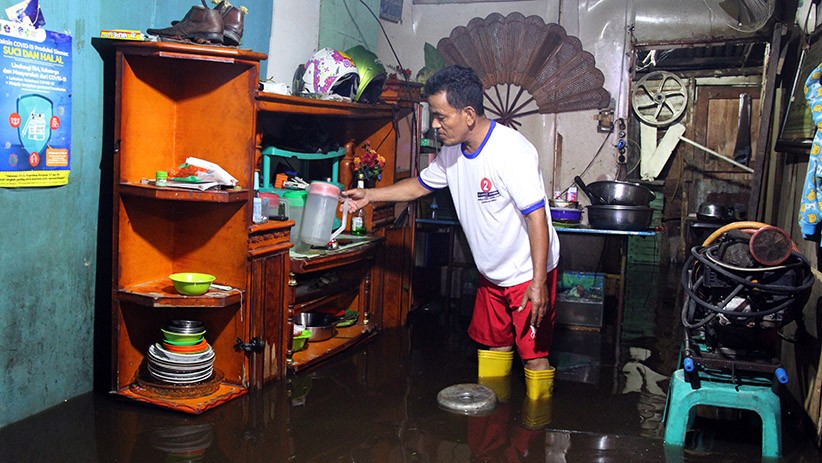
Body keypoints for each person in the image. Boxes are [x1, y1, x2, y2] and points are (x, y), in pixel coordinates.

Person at [343, 65, 560, 395]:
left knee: (534, 357)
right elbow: (418, 186)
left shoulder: (511, 152)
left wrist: (539, 283)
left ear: (469, 114)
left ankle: (536, 431)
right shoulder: (452, 152)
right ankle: (492, 428)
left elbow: (536, 218)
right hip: (492, 272)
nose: (434, 125)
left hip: (527, 271)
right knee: (491, 347)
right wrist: (369, 196)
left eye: (441, 116)